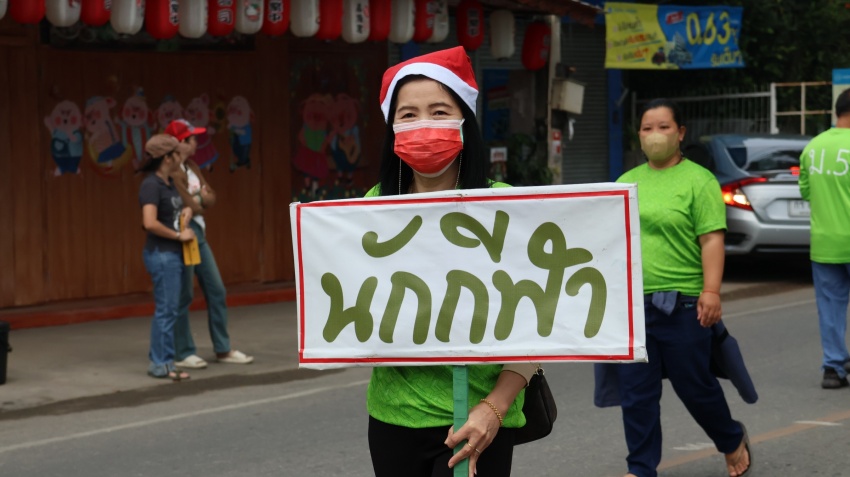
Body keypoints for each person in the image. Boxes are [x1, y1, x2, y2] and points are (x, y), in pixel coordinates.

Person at [364, 46, 537, 477]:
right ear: (391, 128)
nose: (424, 124)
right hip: (391, 419)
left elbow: (541, 318)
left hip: (479, 419)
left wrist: (494, 408)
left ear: (465, 120)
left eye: (439, 111)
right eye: (408, 115)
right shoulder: (370, 207)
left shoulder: (507, 206)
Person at [614, 99, 751, 477]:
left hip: (686, 304)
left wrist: (711, 291)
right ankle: (641, 468)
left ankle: (731, 438)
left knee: (695, 387)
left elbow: (711, 240)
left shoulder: (699, 181)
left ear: (680, 133)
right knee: (637, 394)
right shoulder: (625, 183)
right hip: (634, 307)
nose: (655, 135)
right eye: (647, 128)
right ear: (638, 135)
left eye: (663, 127)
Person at [164, 119, 254, 369]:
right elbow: (189, 203)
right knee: (184, 293)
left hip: (199, 232)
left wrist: (199, 199)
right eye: (191, 139)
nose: (196, 143)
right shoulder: (172, 170)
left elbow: (211, 196)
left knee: (216, 289)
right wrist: (199, 198)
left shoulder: (192, 166)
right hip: (184, 230)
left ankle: (223, 348)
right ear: (179, 143)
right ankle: (183, 351)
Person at [799, 87, 850, 389]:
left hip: (824, 243)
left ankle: (833, 368)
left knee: (830, 308)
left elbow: (806, 192)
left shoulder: (812, 147)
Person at [138, 134, 195, 381]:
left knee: (170, 309)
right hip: (162, 254)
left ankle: (164, 361)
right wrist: (178, 235)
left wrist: (186, 212)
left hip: (171, 253)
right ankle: (160, 363)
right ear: (167, 158)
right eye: (176, 153)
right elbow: (149, 222)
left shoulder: (168, 183)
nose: (180, 157)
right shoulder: (151, 185)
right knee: (167, 310)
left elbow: (170, 212)